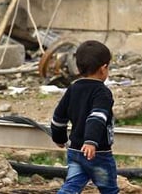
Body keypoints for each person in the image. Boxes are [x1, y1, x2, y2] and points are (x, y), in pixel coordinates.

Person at [50, 40, 117, 194]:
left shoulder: (73, 88)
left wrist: (59, 138)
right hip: (98, 154)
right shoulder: (102, 92)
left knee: (72, 186)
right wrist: (91, 142)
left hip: (75, 152)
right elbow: (97, 117)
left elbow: (59, 117)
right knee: (109, 189)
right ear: (103, 68)